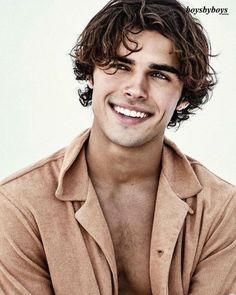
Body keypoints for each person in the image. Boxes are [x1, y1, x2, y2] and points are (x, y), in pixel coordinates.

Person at [0, 0, 235, 294]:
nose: (136, 89)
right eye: (121, 66)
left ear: (185, 95)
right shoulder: (19, 206)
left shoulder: (222, 210)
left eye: (159, 74)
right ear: (90, 72)